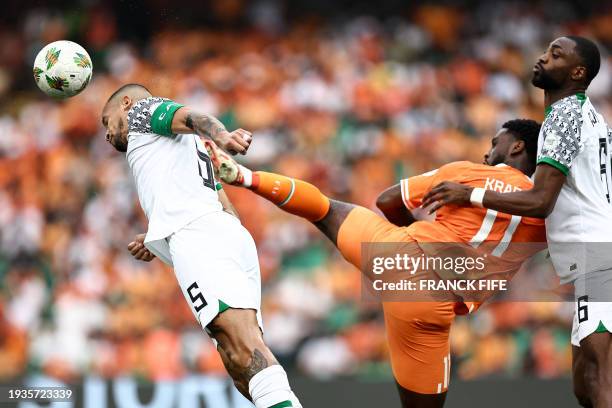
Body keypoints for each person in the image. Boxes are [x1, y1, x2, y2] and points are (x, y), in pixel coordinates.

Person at [206, 119, 546, 407]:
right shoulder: (549, 210)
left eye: (495, 144)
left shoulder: (464, 172)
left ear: (517, 147)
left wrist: (407, 240)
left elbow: (387, 199)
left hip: (395, 251)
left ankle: (244, 177)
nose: (487, 152)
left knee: (323, 208)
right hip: (432, 300)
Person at [420, 36, 612, 408]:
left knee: (601, 372)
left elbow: (540, 200)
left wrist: (470, 194)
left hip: (597, 256)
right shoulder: (590, 115)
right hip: (594, 253)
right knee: (585, 383)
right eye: (546, 51)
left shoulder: (564, 117)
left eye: (556, 55)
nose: (543, 58)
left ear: (577, 72)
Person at [101, 83, 302, 408]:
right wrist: (156, 236)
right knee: (238, 364)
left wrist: (222, 135)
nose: (107, 135)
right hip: (220, 232)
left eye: (106, 121)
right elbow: (215, 199)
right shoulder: (177, 147)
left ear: (125, 103)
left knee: (243, 348)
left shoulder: (141, 112)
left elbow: (191, 115)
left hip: (201, 238)